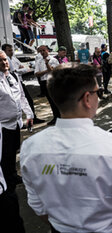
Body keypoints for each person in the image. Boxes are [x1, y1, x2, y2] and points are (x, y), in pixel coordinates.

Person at [20, 64, 112, 233]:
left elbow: (37, 205)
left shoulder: (30, 147)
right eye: (98, 92)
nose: (99, 97)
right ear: (87, 98)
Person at [0, 50, 33, 232]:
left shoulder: (12, 76)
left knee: (13, 150)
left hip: (15, 123)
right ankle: (5, 182)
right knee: (3, 153)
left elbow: (21, 96)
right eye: (1, 61)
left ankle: (11, 174)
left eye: (5, 60)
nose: (5, 63)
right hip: (1, 126)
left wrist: (29, 113)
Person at [3, 43, 44, 124]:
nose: (11, 52)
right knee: (17, 102)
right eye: (9, 50)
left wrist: (20, 69)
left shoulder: (14, 59)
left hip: (20, 81)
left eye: (12, 50)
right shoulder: (6, 59)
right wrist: (19, 70)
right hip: (12, 83)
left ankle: (32, 117)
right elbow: (14, 71)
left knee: (27, 100)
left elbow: (24, 68)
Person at [34, 45, 60, 125]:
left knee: (56, 100)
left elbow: (54, 71)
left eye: (43, 50)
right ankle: (56, 116)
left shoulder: (53, 60)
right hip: (44, 82)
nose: (42, 52)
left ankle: (60, 117)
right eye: (40, 51)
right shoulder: (39, 61)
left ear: (47, 50)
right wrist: (46, 70)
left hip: (52, 81)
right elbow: (36, 73)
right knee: (50, 100)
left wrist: (47, 67)